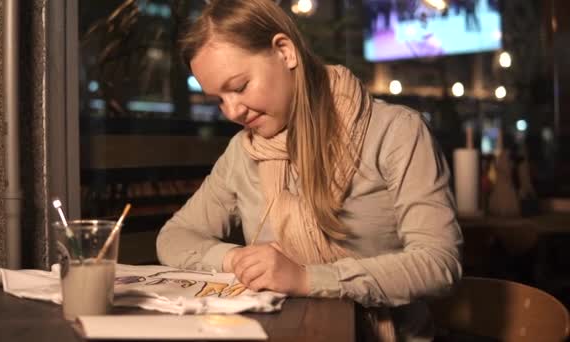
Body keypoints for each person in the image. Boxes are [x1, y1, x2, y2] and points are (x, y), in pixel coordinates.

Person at [156, 0, 462, 340]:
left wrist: (306, 279)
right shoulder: (244, 152)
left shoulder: (396, 132)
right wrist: (235, 259)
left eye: (239, 87)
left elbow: (439, 264)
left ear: (285, 51)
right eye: (218, 99)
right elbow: (174, 238)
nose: (232, 112)